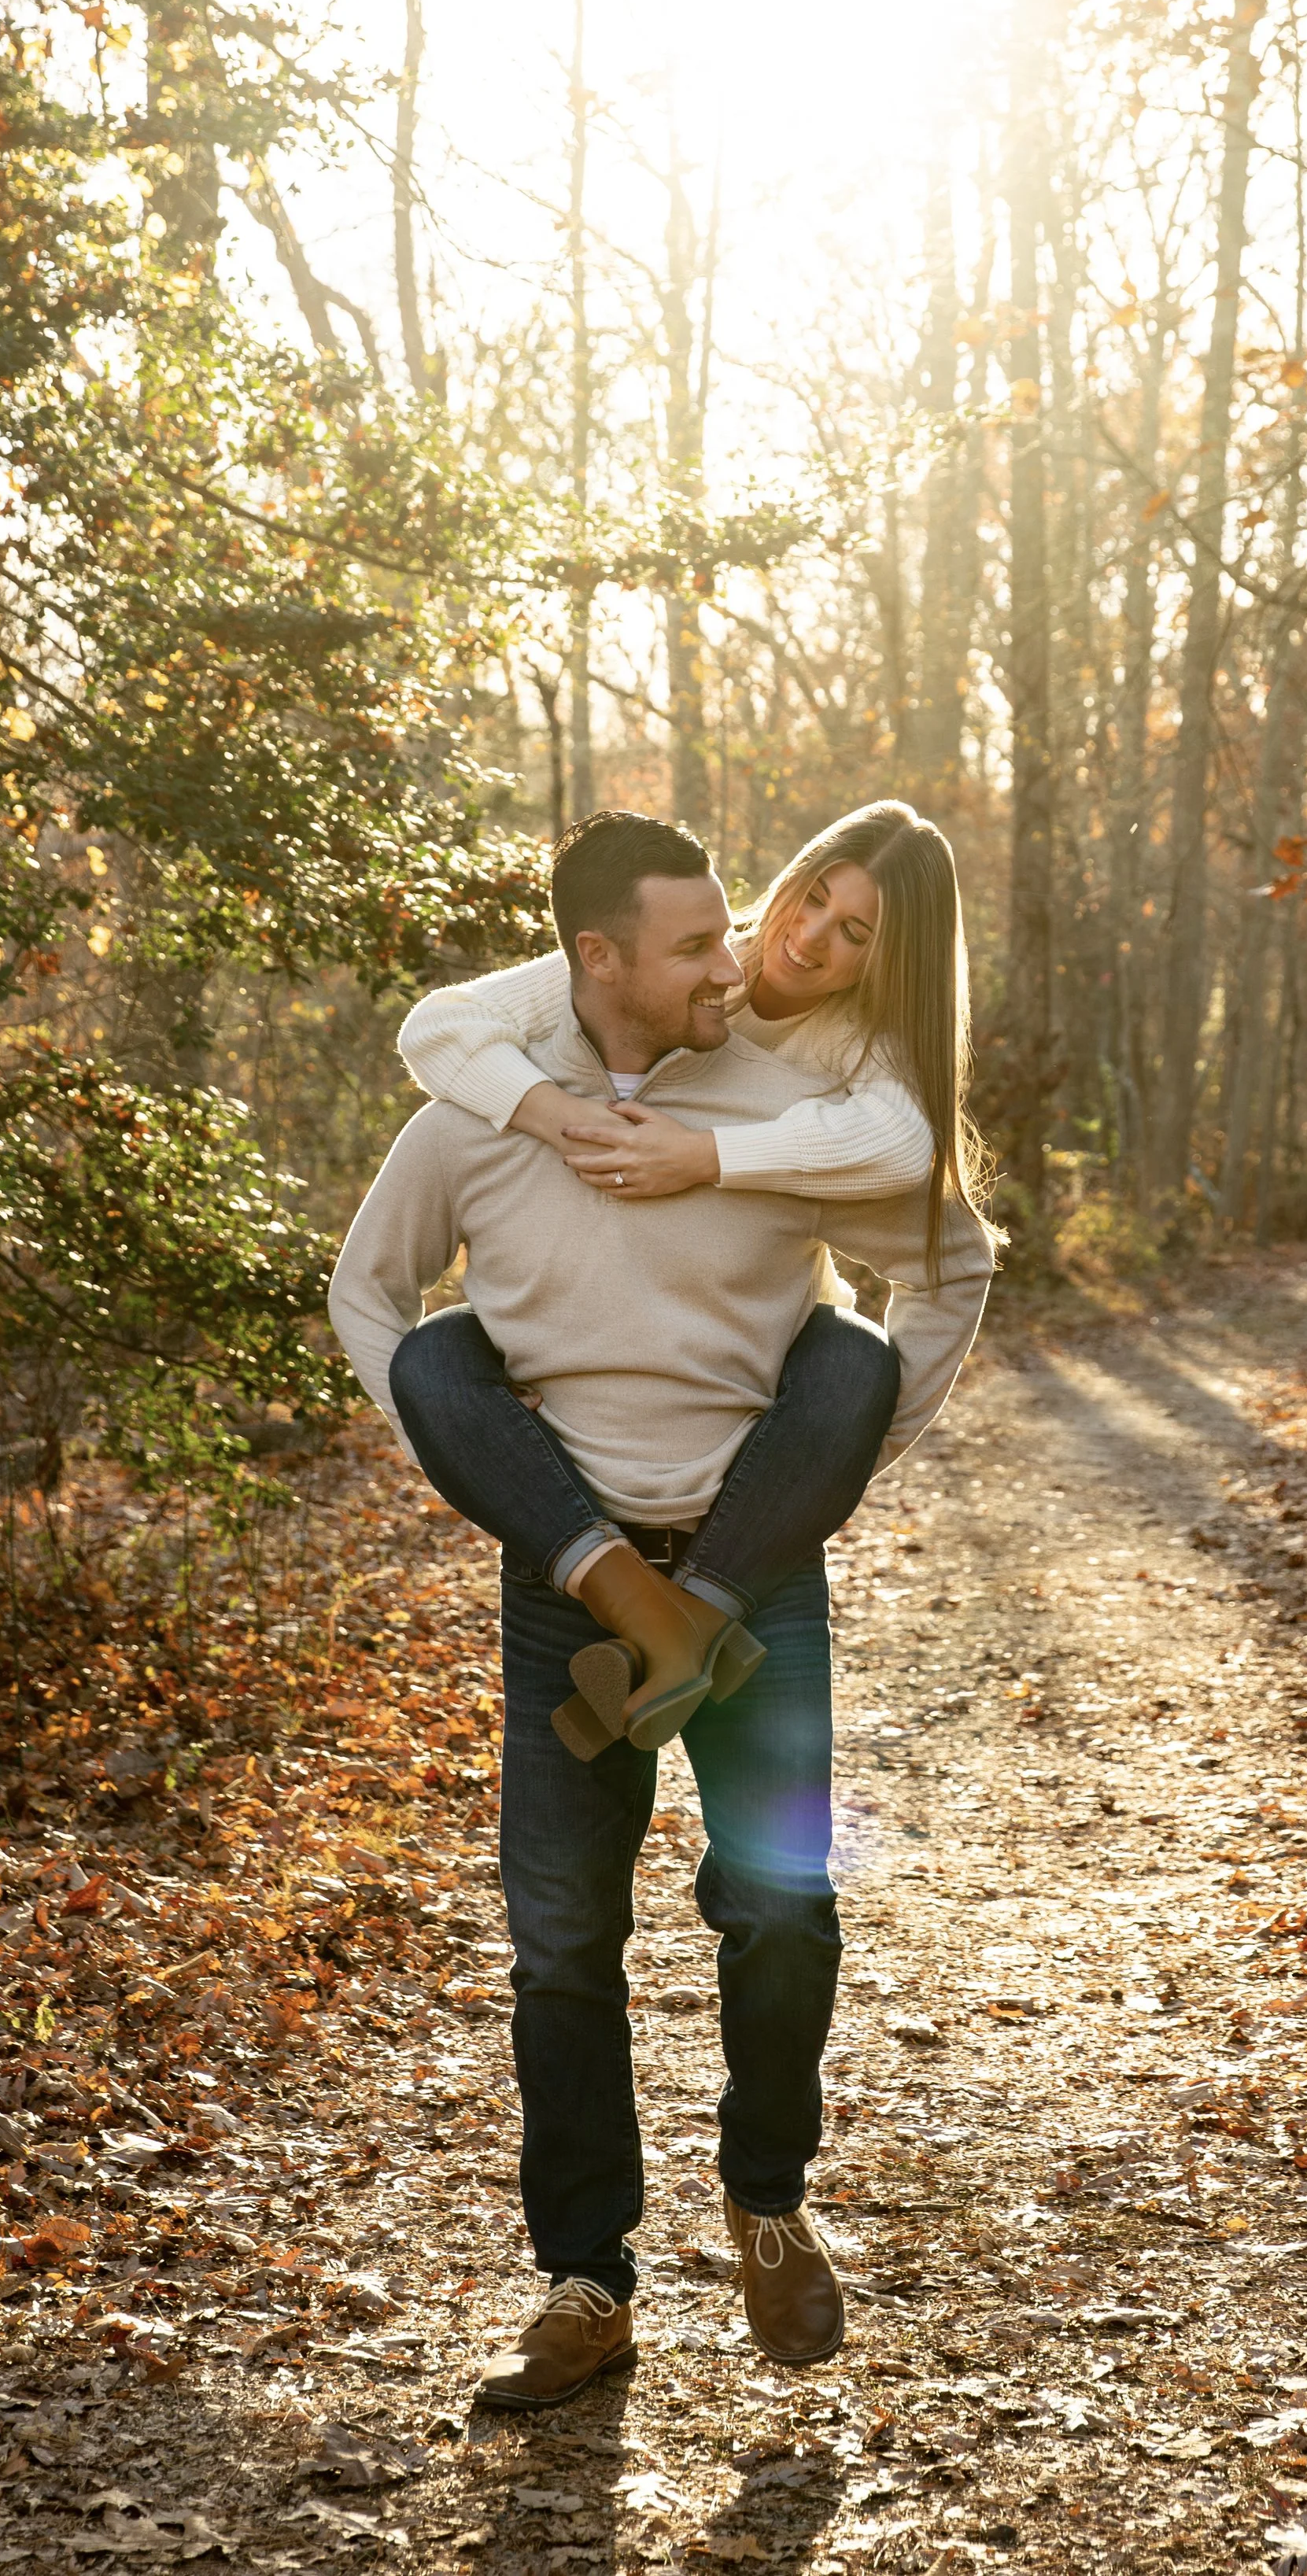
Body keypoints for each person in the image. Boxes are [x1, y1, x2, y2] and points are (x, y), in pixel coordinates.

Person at [329, 811, 991, 2404]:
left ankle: (765, 2203)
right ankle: (583, 2284)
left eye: (755, 932)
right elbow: (373, 1293)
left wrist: (828, 1468)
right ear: (595, 960)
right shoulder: (483, 1106)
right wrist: (474, 1473)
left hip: (751, 1567)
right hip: (567, 1564)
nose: (754, 959)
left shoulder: (795, 1107)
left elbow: (950, 1264)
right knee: (563, 1939)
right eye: (705, 941)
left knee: (778, 1903)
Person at [394, 799, 989, 1740]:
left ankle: (676, 1634)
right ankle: (684, 1643)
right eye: (814, 895)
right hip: (610, 1385)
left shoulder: (858, 1048)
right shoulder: (690, 957)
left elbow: (906, 1150)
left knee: (851, 1358)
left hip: (745, 1377)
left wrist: (703, 1157)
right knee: (438, 1351)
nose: (805, 937)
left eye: (854, 933)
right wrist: (559, 1117)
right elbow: (437, 1029)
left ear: (888, 961)